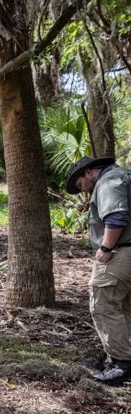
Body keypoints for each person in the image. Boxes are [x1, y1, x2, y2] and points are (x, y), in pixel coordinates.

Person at [65, 156, 131, 384]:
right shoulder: (124, 176)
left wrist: (105, 247)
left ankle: (122, 364)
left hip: (121, 251)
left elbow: (116, 216)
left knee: (103, 304)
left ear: (90, 171)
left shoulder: (109, 181)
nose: (83, 190)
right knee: (124, 307)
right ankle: (116, 356)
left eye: (80, 184)